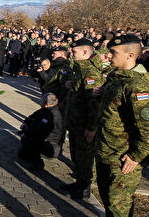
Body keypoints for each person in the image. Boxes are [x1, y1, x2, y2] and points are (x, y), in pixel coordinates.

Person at [95, 34, 149, 216]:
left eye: (113, 52)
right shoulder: (116, 77)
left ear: (130, 55)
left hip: (123, 159)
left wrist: (136, 156)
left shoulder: (137, 86)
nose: (108, 56)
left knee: (117, 208)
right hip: (106, 152)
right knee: (108, 202)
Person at [63, 39, 105, 199]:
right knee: (77, 154)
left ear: (85, 52)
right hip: (76, 122)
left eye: (74, 52)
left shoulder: (91, 73)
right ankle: (79, 182)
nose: (71, 55)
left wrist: (91, 128)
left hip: (84, 125)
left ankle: (84, 187)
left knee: (85, 156)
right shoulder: (80, 70)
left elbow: (94, 104)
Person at [18, 93, 63, 170]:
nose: (40, 102)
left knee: (30, 141)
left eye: (41, 101)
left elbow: (41, 133)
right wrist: (25, 123)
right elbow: (32, 116)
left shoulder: (52, 115)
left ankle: (38, 164)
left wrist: (27, 133)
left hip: (50, 143)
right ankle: (29, 153)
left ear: (45, 103)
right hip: (39, 137)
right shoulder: (45, 110)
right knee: (22, 154)